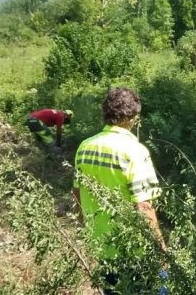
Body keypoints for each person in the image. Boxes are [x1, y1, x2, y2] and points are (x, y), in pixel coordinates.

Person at [72, 87, 168, 294]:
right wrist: (160, 249)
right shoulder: (134, 151)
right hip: (135, 251)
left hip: (102, 245)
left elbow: (77, 193)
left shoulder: (84, 147)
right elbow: (143, 206)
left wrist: (84, 228)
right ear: (134, 116)